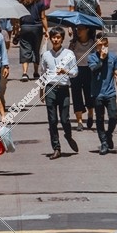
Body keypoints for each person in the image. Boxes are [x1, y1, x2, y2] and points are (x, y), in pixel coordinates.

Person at [40, 27, 79, 159]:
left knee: (64, 119)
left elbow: (75, 72)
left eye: (58, 37)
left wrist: (65, 72)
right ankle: (56, 148)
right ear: (50, 39)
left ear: (62, 39)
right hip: (50, 89)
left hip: (63, 89)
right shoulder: (46, 55)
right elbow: (43, 73)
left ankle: (68, 134)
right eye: (54, 37)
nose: (56, 40)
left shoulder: (69, 54)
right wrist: (41, 91)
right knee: (52, 120)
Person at [88, 34, 117, 155]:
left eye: (104, 45)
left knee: (113, 116)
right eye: (99, 45)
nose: (102, 47)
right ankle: (103, 142)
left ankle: (108, 135)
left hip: (110, 92)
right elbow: (93, 70)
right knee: (100, 118)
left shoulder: (113, 57)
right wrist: (101, 59)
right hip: (97, 93)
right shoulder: (92, 57)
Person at [15, 0, 47, 80]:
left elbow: (17, 18)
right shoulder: (40, 2)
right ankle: (36, 72)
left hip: (24, 26)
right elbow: (43, 17)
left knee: (25, 48)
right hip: (37, 27)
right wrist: (46, 30)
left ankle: (25, 73)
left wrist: (16, 29)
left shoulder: (20, 2)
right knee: (35, 48)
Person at [69, 24, 97, 131]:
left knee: (89, 94)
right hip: (76, 71)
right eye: (77, 29)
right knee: (76, 95)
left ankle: (90, 114)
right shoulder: (73, 43)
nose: (78, 31)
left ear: (87, 30)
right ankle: (79, 121)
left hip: (89, 71)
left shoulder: (92, 43)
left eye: (81, 29)